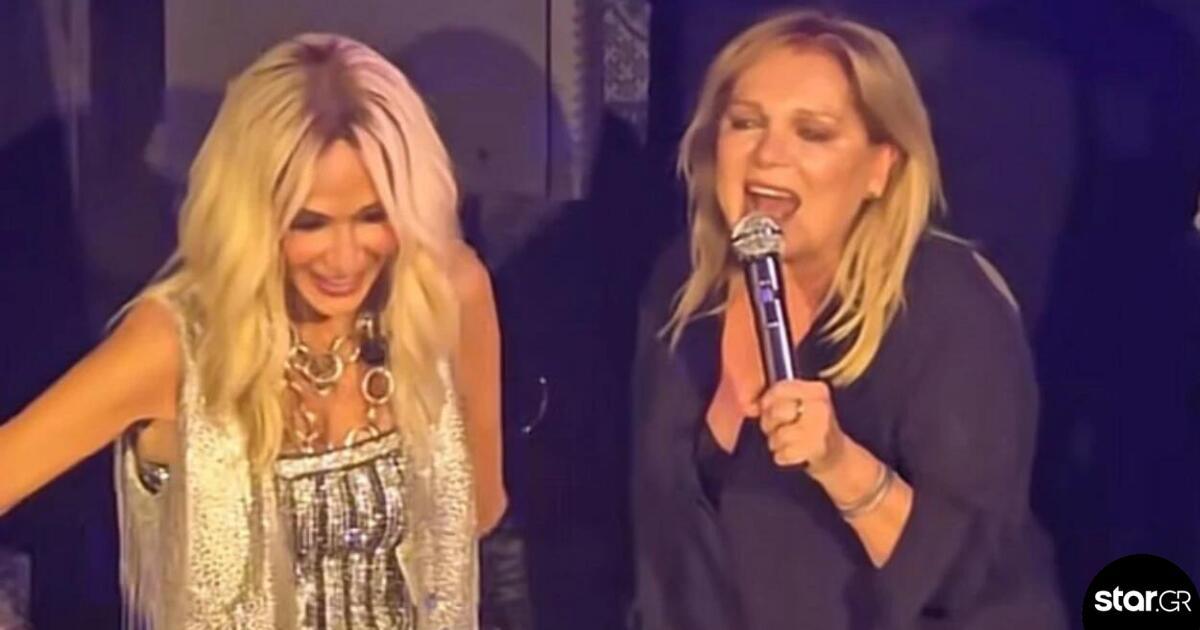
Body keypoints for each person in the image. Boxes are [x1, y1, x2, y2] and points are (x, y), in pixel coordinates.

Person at [0, 33, 506, 630]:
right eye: (310, 223)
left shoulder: (449, 296)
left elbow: (481, 508)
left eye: (374, 217)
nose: (345, 258)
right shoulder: (177, 346)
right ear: (251, 212)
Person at [631, 10, 1066, 629]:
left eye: (812, 133)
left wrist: (840, 465)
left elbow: (968, 576)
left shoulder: (947, 305)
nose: (769, 154)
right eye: (745, 122)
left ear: (880, 167)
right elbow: (665, 549)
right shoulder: (685, 285)